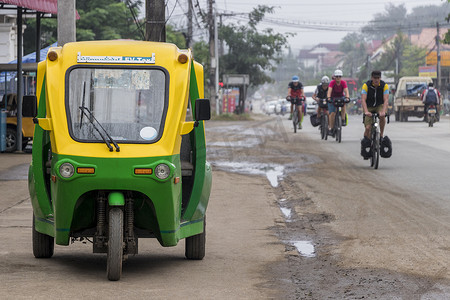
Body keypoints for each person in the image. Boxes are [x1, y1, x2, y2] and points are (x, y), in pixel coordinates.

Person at [360, 70, 389, 159]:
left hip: (379, 105)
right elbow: (363, 100)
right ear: (372, 78)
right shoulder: (366, 85)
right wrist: (366, 111)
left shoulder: (385, 86)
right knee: (368, 127)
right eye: (375, 78)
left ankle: (381, 136)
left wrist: (383, 111)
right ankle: (367, 143)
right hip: (368, 107)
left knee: (382, 116)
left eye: (378, 78)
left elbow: (386, 100)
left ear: (380, 78)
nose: (376, 80)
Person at [326, 70, 349, 135]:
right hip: (333, 98)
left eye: (339, 76)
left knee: (344, 105)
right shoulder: (332, 83)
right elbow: (329, 92)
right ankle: (331, 127)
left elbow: (346, 91)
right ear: (335, 77)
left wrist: (347, 98)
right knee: (332, 113)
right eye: (337, 76)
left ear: (341, 77)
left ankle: (343, 119)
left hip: (341, 97)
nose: (338, 78)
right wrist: (328, 98)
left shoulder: (343, 82)